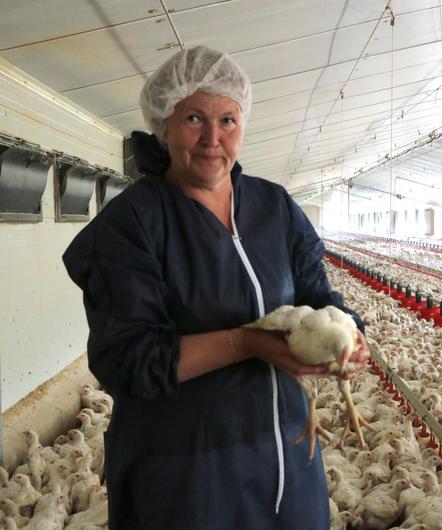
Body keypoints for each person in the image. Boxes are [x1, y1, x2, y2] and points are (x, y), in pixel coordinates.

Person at [63, 45, 369, 530]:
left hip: (291, 463)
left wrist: (349, 333)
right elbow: (129, 361)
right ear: (163, 124)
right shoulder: (133, 224)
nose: (212, 138)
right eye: (193, 119)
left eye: (227, 120)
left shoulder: (274, 207)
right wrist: (247, 343)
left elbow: (317, 292)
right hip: (186, 478)